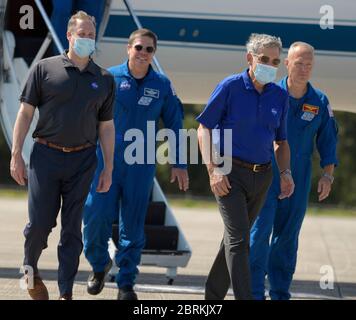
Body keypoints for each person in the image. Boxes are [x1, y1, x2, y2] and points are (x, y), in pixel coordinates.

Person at [10, 11, 115, 300]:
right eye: (82, 34)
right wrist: (16, 154)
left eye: (91, 35)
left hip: (83, 161)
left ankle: (65, 293)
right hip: (46, 156)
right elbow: (25, 112)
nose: (87, 39)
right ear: (70, 36)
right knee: (39, 225)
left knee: (72, 231)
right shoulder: (44, 69)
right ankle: (30, 268)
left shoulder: (104, 79)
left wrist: (108, 168)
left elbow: (106, 127)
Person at [83, 28, 189, 300]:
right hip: (104, 161)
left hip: (140, 163)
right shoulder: (108, 77)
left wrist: (179, 162)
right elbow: (85, 113)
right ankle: (99, 265)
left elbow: (175, 124)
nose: (143, 53)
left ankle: (126, 283)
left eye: (149, 50)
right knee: (95, 217)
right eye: (139, 48)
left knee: (133, 225)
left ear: (154, 54)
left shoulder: (162, 85)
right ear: (128, 49)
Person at [196, 33, 295, 300]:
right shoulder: (230, 87)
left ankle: (212, 298)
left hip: (262, 177)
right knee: (241, 241)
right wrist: (213, 168)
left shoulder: (279, 96)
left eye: (275, 61)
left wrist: (285, 173)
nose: (269, 65)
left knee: (233, 239)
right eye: (264, 59)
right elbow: (204, 128)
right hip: (228, 172)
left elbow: (281, 142)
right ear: (250, 58)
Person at [249, 42, 338, 300]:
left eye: (309, 65)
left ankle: (279, 293)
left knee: (287, 240)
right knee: (259, 236)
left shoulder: (319, 102)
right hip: (265, 175)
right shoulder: (268, 93)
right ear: (287, 63)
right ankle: (254, 294)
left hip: (299, 178)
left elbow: (328, 141)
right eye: (299, 63)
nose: (304, 69)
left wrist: (328, 175)